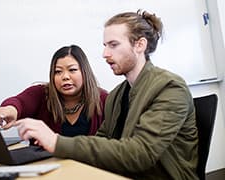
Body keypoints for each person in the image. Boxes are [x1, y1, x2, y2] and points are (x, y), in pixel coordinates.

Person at [14, 10, 199, 179]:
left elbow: (140, 154)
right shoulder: (117, 95)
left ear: (140, 45)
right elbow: (102, 139)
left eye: (113, 45)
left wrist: (56, 142)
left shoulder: (170, 88)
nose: (105, 53)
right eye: (105, 45)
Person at [0, 45, 108, 137]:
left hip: (87, 165)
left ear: (85, 72)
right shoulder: (41, 94)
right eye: (58, 72)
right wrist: (8, 110)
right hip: (46, 164)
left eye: (72, 70)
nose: (65, 77)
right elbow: (19, 102)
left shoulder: (104, 99)